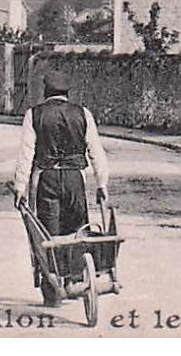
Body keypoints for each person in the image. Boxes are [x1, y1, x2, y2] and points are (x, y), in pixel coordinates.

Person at [11, 69, 111, 301]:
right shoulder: (82, 114)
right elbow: (96, 151)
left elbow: (26, 154)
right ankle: (74, 278)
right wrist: (102, 183)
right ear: (67, 92)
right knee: (77, 229)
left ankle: (52, 287)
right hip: (75, 178)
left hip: (48, 179)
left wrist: (20, 187)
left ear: (46, 91)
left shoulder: (34, 114)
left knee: (49, 232)